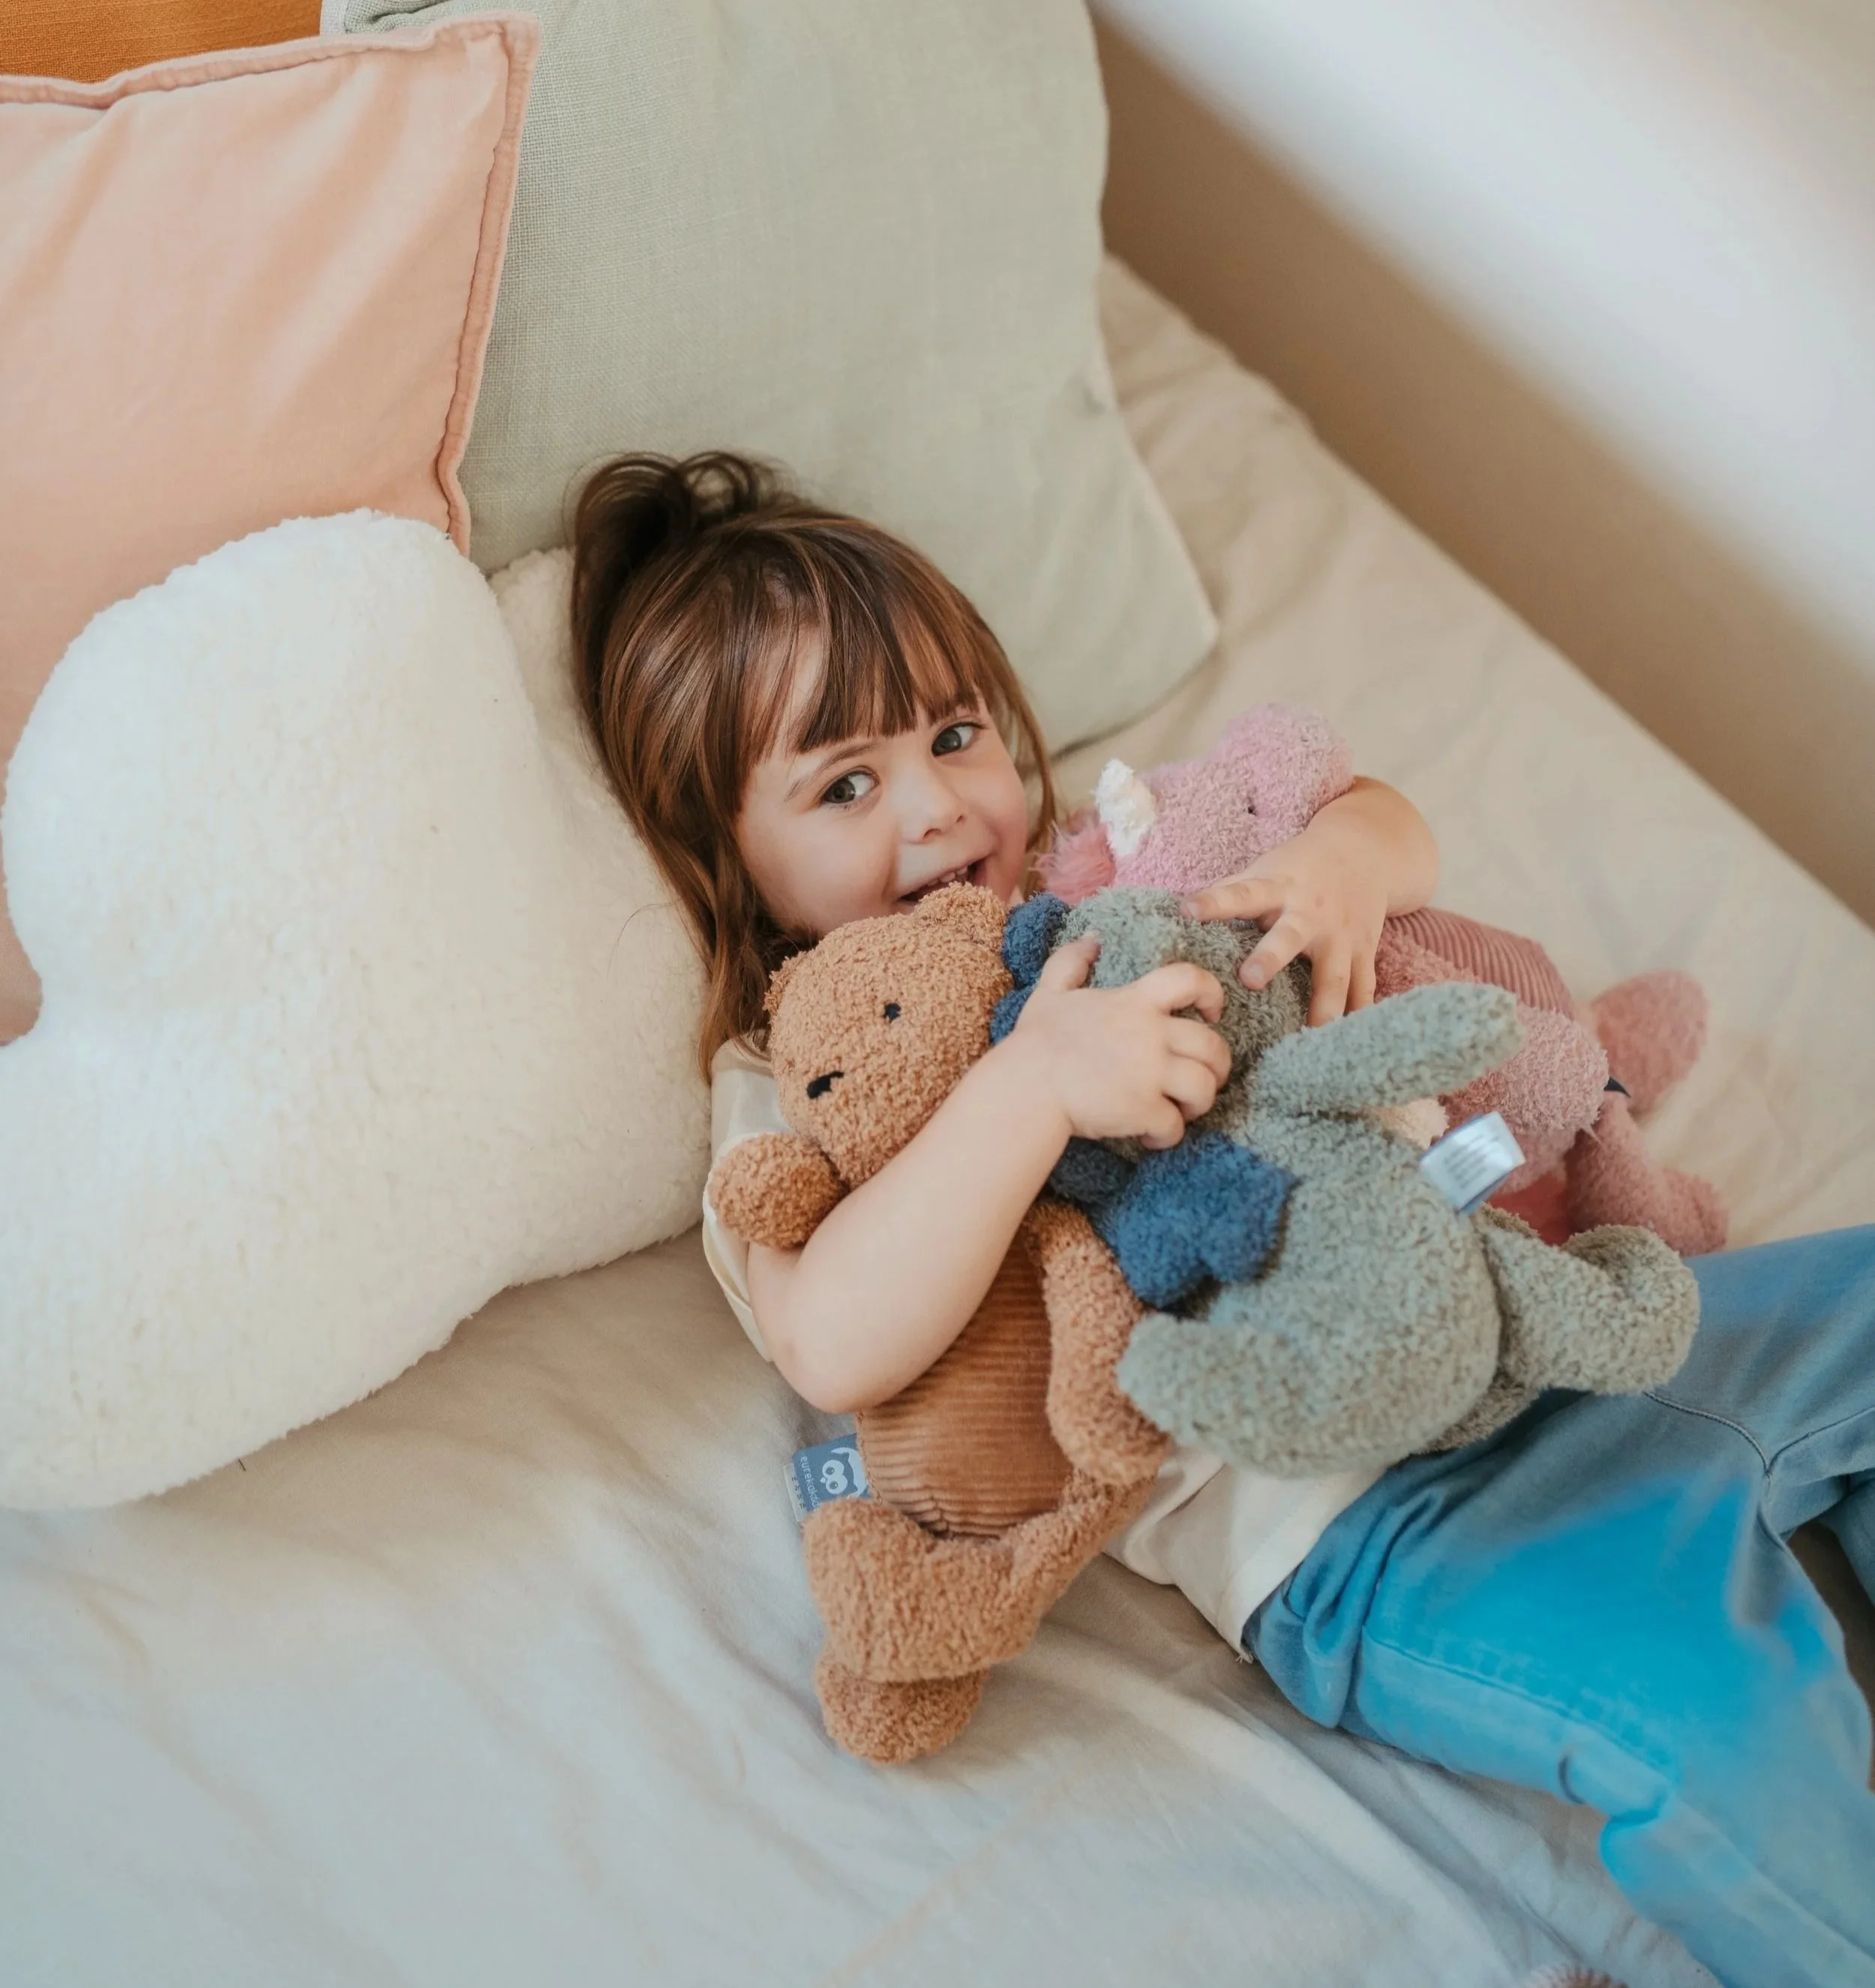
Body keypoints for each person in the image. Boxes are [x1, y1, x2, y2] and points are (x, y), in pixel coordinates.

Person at [572, 450, 1875, 1988]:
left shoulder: (1123, 863)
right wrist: (1029, 1090)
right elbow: (830, 1329)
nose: (932, 804)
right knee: (1713, 1725)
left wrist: (1335, 863)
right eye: (844, 783)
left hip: (1576, 1316)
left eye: (953, 731)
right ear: (730, 866)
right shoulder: (806, 1074)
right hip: (1381, 1523)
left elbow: (1380, 817)